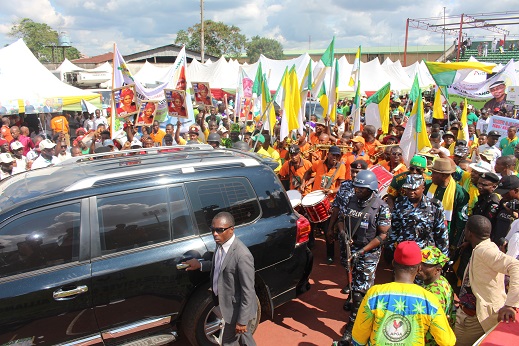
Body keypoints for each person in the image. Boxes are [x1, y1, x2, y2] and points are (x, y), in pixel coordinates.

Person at [342, 241, 455, 346]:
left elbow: (358, 338)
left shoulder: (374, 294)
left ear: (393, 263)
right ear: (419, 267)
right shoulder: (430, 300)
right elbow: (447, 341)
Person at [184, 212, 257, 345]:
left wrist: (242, 320)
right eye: (213, 229)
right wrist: (200, 264)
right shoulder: (221, 243)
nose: (215, 234)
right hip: (226, 303)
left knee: (228, 341)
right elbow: (218, 265)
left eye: (219, 230)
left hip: (236, 308)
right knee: (245, 338)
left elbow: (248, 291)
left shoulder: (243, 256)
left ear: (231, 229)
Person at [337, 170, 391, 344]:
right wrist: (343, 232)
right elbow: (340, 218)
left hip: (368, 253)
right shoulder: (350, 199)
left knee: (361, 291)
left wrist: (362, 251)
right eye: (356, 188)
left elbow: (383, 235)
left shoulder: (381, 206)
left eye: (362, 189)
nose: (358, 191)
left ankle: (351, 328)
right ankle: (352, 298)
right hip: (349, 249)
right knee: (351, 282)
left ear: (371, 189)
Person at [455, 215, 519, 346]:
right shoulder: (484, 246)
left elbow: (515, 266)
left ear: (469, 232)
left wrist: (511, 304)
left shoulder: (485, 250)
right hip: (471, 314)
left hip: (477, 317)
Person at [388, 174, 449, 257]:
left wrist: (443, 255)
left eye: (415, 189)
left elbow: (441, 232)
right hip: (404, 252)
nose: (411, 192)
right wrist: (390, 248)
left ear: (423, 188)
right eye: (408, 189)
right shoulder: (399, 204)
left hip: (425, 253)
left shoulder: (434, 206)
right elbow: (394, 229)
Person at [425, 158, 469, 252]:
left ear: (444, 175)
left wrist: (454, 244)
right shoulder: (427, 186)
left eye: (434, 173)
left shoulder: (460, 193)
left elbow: (460, 222)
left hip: (445, 238)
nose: (431, 175)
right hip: (425, 234)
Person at [417, 246, 456, 346]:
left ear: (438, 269)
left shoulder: (433, 293)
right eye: (419, 263)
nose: (419, 268)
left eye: (425, 265)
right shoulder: (442, 281)